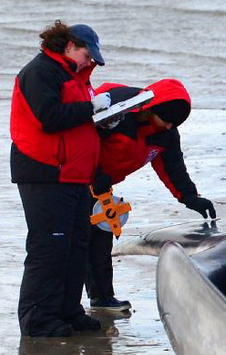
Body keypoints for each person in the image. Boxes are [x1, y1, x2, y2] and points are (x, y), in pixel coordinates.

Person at [11, 20, 112, 337]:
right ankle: (38, 319)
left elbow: (76, 120)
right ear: (69, 46)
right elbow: (49, 118)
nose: (90, 60)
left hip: (74, 175)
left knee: (75, 246)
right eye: (87, 53)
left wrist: (104, 116)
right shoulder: (41, 71)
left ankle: (68, 310)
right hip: (45, 173)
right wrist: (90, 109)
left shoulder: (74, 77)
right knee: (49, 248)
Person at [87, 78, 216, 311]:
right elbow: (80, 138)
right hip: (71, 178)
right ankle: (66, 305)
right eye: (166, 120)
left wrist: (190, 197)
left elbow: (172, 168)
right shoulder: (118, 110)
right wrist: (94, 172)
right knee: (73, 243)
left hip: (101, 188)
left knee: (100, 241)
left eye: (174, 124)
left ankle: (102, 298)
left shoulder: (166, 134)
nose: (169, 127)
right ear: (151, 109)